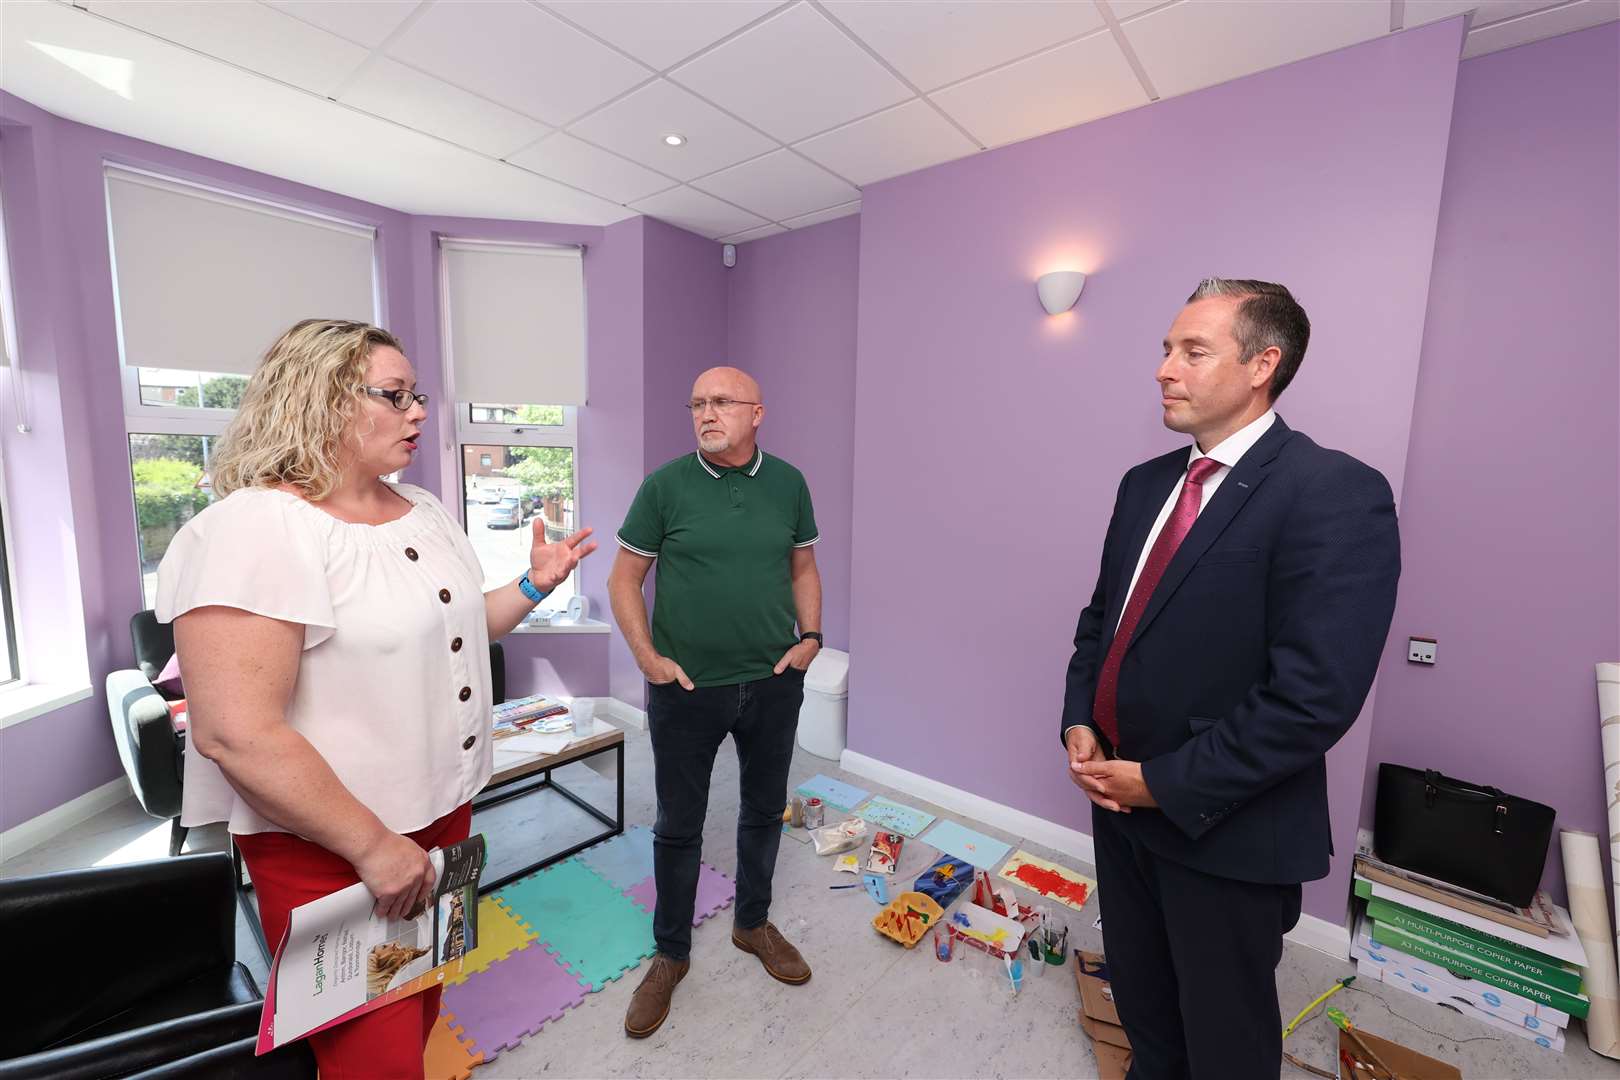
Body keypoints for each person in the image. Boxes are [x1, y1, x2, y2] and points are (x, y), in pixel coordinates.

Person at [158, 319, 596, 1078]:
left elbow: (462, 624)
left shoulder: (420, 507)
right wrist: (371, 847)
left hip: (443, 807)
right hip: (334, 843)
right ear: (321, 401)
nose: (419, 412)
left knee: (422, 998)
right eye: (395, 396)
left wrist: (534, 585)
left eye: (416, 395)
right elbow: (235, 734)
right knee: (375, 1055)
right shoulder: (252, 530)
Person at [1059, 280, 1400, 1079]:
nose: (1163, 369)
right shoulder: (1146, 484)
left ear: (1262, 364)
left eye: (1191, 350)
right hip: (1120, 806)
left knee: (1225, 1037)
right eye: (1165, 349)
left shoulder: (1332, 492)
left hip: (1222, 826)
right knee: (1145, 1004)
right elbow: (1102, 621)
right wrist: (1081, 716)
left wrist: (1163, 784)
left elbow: (1312, 699)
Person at [608, 365, 823, 1039]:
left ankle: (752, 923)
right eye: (698, 402)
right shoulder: (665, 486)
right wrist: (648, 659)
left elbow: (802, 565)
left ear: (757, 413)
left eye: (722, 402)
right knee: (679, 823)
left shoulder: (788, 483)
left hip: (771, 682)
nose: (707, 412)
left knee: (763, 809)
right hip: (685, 689)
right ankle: (671, 954)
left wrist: (811, 638)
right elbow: (625, 577)